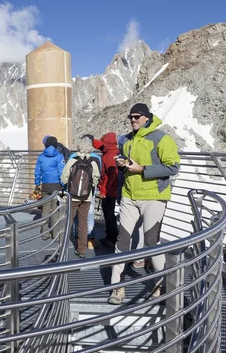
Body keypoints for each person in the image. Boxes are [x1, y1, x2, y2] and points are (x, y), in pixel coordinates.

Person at [108, 103, 180, 305]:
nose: (133, 120)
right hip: (130, 196)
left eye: (137, 116)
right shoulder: (127, 140)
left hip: (154, 197)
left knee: (151, 243)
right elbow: (128, 167)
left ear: (147, 117)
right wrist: (122, 164)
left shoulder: (162, 139)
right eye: (131, 117)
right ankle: (117, 288)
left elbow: (172, 167)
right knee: (122, 241)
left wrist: (142, 170)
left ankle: (160, 285)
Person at [61, 137, 100, 258]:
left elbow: (64, 178)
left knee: (69, 220)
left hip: (72, 196)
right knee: (83, 222)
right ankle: (81, 249)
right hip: (86, 197)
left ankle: (63, 246)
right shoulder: (93, 162)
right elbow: (96, 179)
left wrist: (68, 186)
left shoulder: (72, 160)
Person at [34, 136, 65, 240]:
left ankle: (44, 232)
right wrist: (63, 185)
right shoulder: (59, 156)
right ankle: (55, 234)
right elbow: (61, 172)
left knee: (45, 209)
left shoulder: (41, 157)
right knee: (55, 210)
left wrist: (37, 183)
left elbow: (37, 172)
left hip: (45, 185)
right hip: (56, 185)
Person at [97, 132, 121, 246]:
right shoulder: (114, 152)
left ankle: (112, 238)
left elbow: (109, 177)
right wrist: (91, 140)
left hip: (110, 191)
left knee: (109, 214)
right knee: (109, 213)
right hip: (114, 189)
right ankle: (111, 235)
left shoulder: (109, 157)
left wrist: (103, 191)